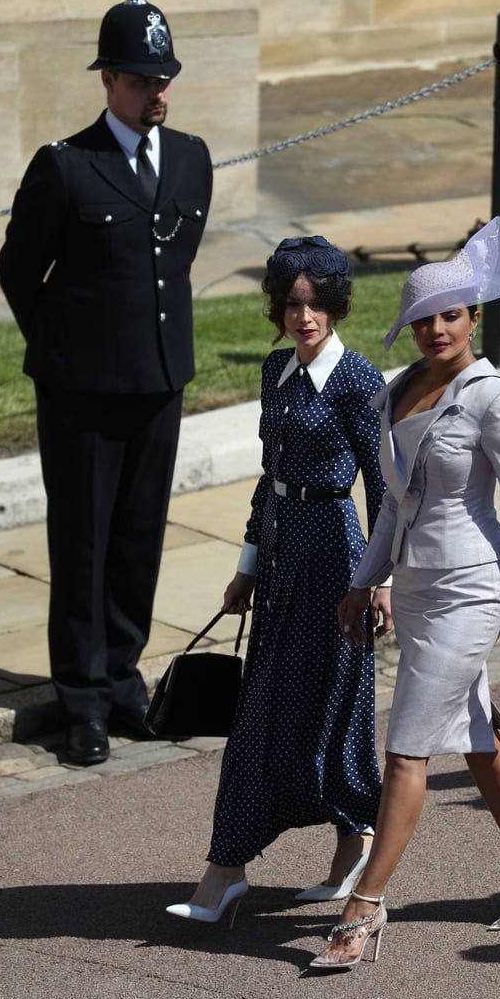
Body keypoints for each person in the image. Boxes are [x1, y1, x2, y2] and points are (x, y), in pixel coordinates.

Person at [310, 217, 500, 970]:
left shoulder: (491, 397)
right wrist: (362, 581)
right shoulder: (395, 392)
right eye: (424, 319)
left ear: (473, 317)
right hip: (413, 590)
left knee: (406, 748)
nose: (438, 329)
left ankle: (364, 906)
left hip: (472, 589)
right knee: (474, 736)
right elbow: (392, 506)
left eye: (452, 315)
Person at [0, 0, 213, 766]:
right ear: (110, 81)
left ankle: (123, 680)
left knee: (137, 538)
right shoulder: (67, 165)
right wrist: (65, 351)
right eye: (145, 79)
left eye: (167, 77)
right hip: (82, 391)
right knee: (83, 542)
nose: (160, 92)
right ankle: (82, 698)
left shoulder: (189, 156)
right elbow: (18, 270)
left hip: (159, 381)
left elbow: (172, 266)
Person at [166, 235, 392, 924]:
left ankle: (228, 870)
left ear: (337, 302)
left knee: (312, 708)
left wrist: (380, 583)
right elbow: (270, 477)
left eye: (318, 301)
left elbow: (384, 491)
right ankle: (350, 839)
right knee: (285, 708)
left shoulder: (359, 382)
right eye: (292, 303)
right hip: (281, 554)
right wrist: (245, 568)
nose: (305, 315)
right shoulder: (275, 372)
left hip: (336, 559)